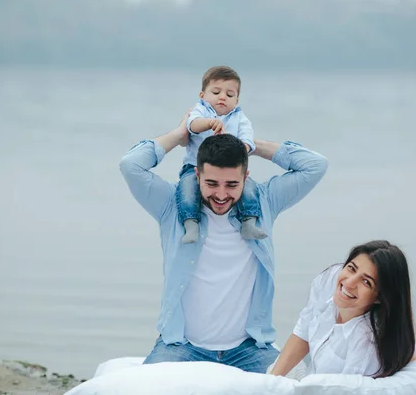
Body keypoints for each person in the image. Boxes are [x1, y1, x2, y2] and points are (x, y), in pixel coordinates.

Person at [119, 112, 328, 374]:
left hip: (249, 350)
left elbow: (316, 165)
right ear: (196, 175)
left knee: (299, 386)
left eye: (231, 184)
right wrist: (179, 135)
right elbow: (130, 165)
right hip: (181, 346)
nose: (220, 194)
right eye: (211, 183)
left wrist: (250, 145)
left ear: (245, 176)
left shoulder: (264, 202)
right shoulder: (171, 205)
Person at [269, 240, 416, 378]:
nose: (349, 283)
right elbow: (303, 330)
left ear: (380, 297)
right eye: (352, 268)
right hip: (310, 380)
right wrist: (269, 383)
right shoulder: (330, 280)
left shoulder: (366, 345)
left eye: (366, 282)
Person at [177, 65, 266, 244]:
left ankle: (249, 221)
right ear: (202, 95)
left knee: (249, 189)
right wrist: (209, 123)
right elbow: (191, 125)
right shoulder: (201, 111)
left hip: (231, 167)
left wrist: (239, 150)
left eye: (230, 95)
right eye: (216, 92)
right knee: (186, 189)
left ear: (237, 100)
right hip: (194, 166)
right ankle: (190, 224)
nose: (222, 97)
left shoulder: (240, 118)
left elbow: (247, 141)